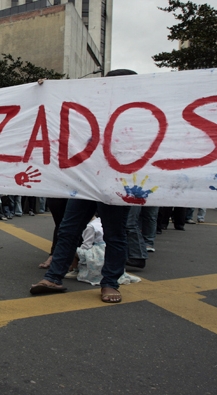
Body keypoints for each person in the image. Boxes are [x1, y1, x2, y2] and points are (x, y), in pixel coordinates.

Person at [30, 69, 138, 304]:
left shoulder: (138, 114)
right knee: (68, 229)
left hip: (117, 183)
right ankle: (54, 277)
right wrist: (46, 91)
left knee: (115, 234)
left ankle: (109, 283)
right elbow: (59, 112)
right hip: (86, 181)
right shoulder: (93, 108)